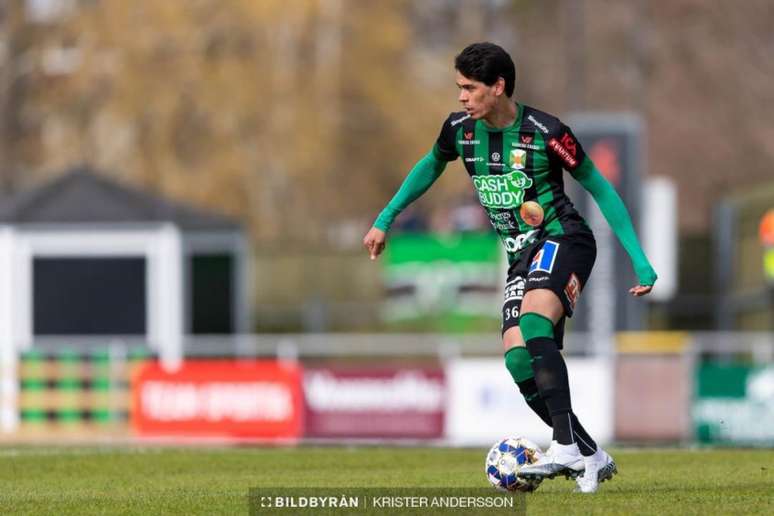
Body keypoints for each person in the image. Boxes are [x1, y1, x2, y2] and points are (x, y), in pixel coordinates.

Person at [362, 42, 656, 493]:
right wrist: (385, 218)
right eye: (458, 87)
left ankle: (563, 448)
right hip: (521, 255)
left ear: (498, 87)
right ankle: (590, 455)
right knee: (519, 359)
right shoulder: (459, 130)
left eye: (469, 88)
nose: (461, 97)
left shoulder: (547, 131)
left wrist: (639, 260)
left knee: (535, 320)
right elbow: (430, 165)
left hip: (565, 239)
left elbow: (598, 185)